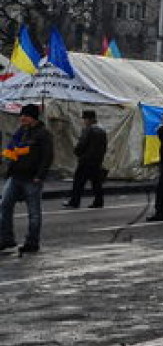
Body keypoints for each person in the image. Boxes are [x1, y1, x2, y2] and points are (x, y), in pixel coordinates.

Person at [0, 103, 54, 254]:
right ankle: (6, 238)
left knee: (34, 212)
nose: (22, 118)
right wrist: (7, 161)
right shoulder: (21, 132)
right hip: (16, 176)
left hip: (32, 178)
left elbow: (47, 156)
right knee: (4, 205)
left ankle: (32, 242)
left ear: (33, 117)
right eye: (21, 115)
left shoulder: (43, 134)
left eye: (25, 116)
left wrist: (40, 176)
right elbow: (11, 150)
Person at [64, 109, 107, 209]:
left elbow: (82, 144)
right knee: (96, 182)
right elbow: (104, 146)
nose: (84, 121)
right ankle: (98, 201)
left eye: (85, 119)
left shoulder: (88, 130)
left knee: (78, 182)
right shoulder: (102, 130)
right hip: (97, 160)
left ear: (89, 119)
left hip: (86, 160)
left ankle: (74, 201)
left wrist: (77, 152)